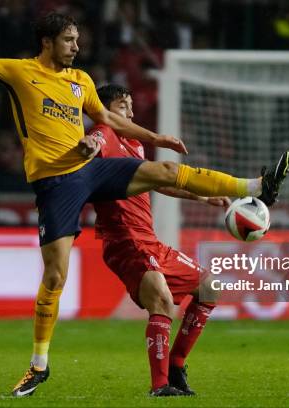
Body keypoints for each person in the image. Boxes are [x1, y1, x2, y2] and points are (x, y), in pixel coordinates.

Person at [0, 12, 289, 397]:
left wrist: (157, 139)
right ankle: (39, 364)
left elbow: (109, 121)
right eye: (68, 40)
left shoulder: (81, 80)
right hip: (56, 182)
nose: (76, 46)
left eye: (77, 39)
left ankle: (256, 184)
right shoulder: (20, 72)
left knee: (163, 173)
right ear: (47, 42)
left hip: (90, 171)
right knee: (55, 276)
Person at [89, 84, 229, 396]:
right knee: (162, 301)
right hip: (125, 239)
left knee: (209, 287)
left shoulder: (135, 144)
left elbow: (160, 183)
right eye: (124, 105)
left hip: (148, 240)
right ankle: (160, 386)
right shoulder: (105, 131)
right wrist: (88, 143)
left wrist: (203, 196)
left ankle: (177, 365)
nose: (132, 112)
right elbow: (93, 141)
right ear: (105, 108)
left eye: (131, 105)